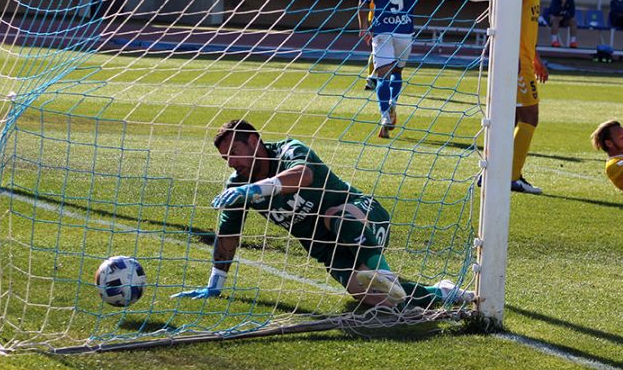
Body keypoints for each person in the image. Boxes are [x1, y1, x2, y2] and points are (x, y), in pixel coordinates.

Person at [172, 120, 474, 305]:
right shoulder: (237, 186)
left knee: (337, 216)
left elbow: (303, 176)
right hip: (328, 252)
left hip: (363, 219)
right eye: (226, 158)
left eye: (234, 153)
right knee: (380, 300)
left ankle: (383, 272)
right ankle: (441, 293)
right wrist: (214, 286)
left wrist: (256, 190)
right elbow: (228, 237)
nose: (231, 163)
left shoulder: (289, 150)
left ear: (254, 141)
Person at [357, 0, 456, 138]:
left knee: (382, 74)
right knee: (398, 73)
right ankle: (393, 103)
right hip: (404, 32)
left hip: (382, 31)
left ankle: (385, 115)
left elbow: (362, 3)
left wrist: (364, 27)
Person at [510, 0, 550, 194]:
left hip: (525, 59)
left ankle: (498, 173)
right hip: (516, 61)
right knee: (530, 116)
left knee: (510, 119)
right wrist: (514, 58)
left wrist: (535, 58)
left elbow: (525, 28)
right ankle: (511, 177)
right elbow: (507, 22)